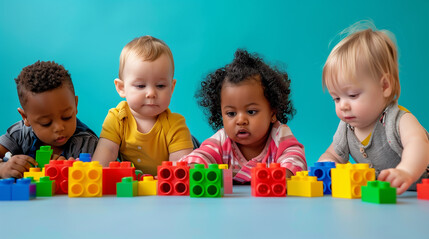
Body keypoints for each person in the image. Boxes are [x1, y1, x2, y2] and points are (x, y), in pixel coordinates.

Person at [318, 21, 429, 195]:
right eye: (336, 98)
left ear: (385, 86)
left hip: (421, 189)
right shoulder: (347, 128)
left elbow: (419, 144)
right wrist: (326, 165)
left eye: (353, 95)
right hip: (390, 197)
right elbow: (333, 155)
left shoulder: (398, 120)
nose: (343, 106)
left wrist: (406, 171)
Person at [179, 49, 306, 183]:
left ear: (272, 113)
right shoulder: (222, 140)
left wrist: (286, 172)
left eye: (251, 112)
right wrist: (191, 167)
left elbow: (294, 156)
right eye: (231, 113)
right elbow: (203, 154)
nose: (240, 120)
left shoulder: (279, 135)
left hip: (269, 202)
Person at [92, 36, 194, 176]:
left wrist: (167, 178)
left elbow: (180, 166)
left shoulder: (175, 125)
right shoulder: (117, 118)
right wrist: (95, 175)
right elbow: (106, 153)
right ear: (121, 88)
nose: (151, 93)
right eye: (140, 86)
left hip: (164, 187)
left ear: (171, 88)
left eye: (160, 85)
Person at [0, 61, 98, 178]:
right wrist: (2, 168)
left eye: (66, 117)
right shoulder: (19, 134)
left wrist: (70, 172)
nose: (59, 128)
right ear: (25, 118)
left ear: (75, 105)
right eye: (46, 123)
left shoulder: (86, 143)